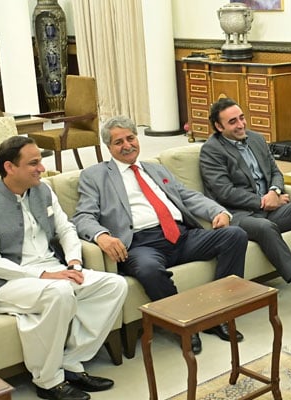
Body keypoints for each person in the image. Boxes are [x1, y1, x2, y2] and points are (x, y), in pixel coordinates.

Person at [0, 136, 128, 400]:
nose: (42, 168)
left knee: (113, 285)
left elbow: (66, 229)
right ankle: (47, 380)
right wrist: (45, 275)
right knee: (60, 292)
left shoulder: (43, 190)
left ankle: (71, 362)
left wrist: (74, 261)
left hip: (52, 270)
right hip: (2, 282)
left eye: (40, 161)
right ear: (9, 167)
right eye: (34, 163)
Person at [72, 116, 248, 354]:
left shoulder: (155, 169)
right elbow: (83, 216)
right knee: (148, 270)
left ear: (137, 138)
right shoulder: (95, 176)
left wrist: (218, 211)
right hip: (142, 244)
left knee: (235, 235)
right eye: (118, 142)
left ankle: (220, 315)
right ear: (108, 147)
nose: (127, 145)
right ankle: (184, 325)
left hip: (181, 236)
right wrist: (101, 235)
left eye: (131, 138)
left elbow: (187, 196)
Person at [200, 98, 291, 283]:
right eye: (232, 121)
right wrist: (262, 202)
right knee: (265, 227)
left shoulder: (257, 139)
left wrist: (274, 191)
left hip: (270, 207)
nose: (241, 124)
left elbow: (275, 172)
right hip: (239, 215)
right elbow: (224, 192)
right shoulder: (211, 151)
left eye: (242, 118)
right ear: (219, 127)